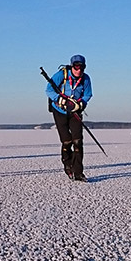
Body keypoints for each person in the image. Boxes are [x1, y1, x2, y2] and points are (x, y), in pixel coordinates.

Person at [45, 54, 93, 182]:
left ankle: (78, 172)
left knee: (78, 142)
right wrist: (60, 99)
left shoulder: (86, 79)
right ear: (72, 66)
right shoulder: (62, 74)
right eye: (76, 67)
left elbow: (88, 94)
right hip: (59, 110)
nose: (79, 70)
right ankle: (67, 164)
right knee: (66, 141)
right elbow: (49, 90)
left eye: (82, 67)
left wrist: (81, 103)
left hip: (75, 112)